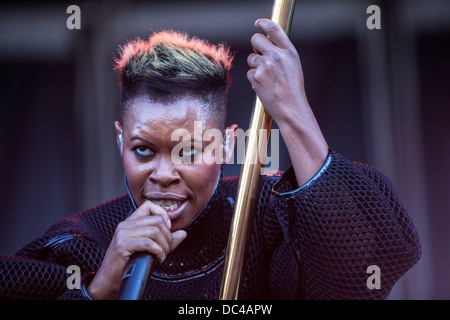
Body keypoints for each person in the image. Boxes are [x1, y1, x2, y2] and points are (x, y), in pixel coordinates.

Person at [0, 19, 421, 300]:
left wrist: (294, 111)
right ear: (119, 141)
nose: (163, 175)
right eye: (143, 150)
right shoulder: (81, 244)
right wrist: (100, 289)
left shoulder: (270, 215)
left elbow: (365, 266)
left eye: (189, 150)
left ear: (226, 146)